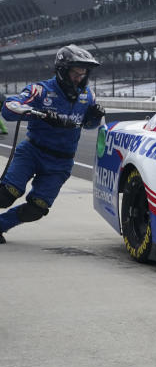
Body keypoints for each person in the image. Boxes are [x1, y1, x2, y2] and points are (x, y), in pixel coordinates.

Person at [0, 45, 105, 244]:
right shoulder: (40, 90)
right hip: (32, 152)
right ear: (63, 71)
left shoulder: (88, 95)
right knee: (7, 194)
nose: (79, 78)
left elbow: (90, 125)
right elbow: (8, 108)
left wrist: (94, 117)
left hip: (61, 163)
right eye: (76, 73)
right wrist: (39, 114)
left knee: (37, 209)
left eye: (83, 74)